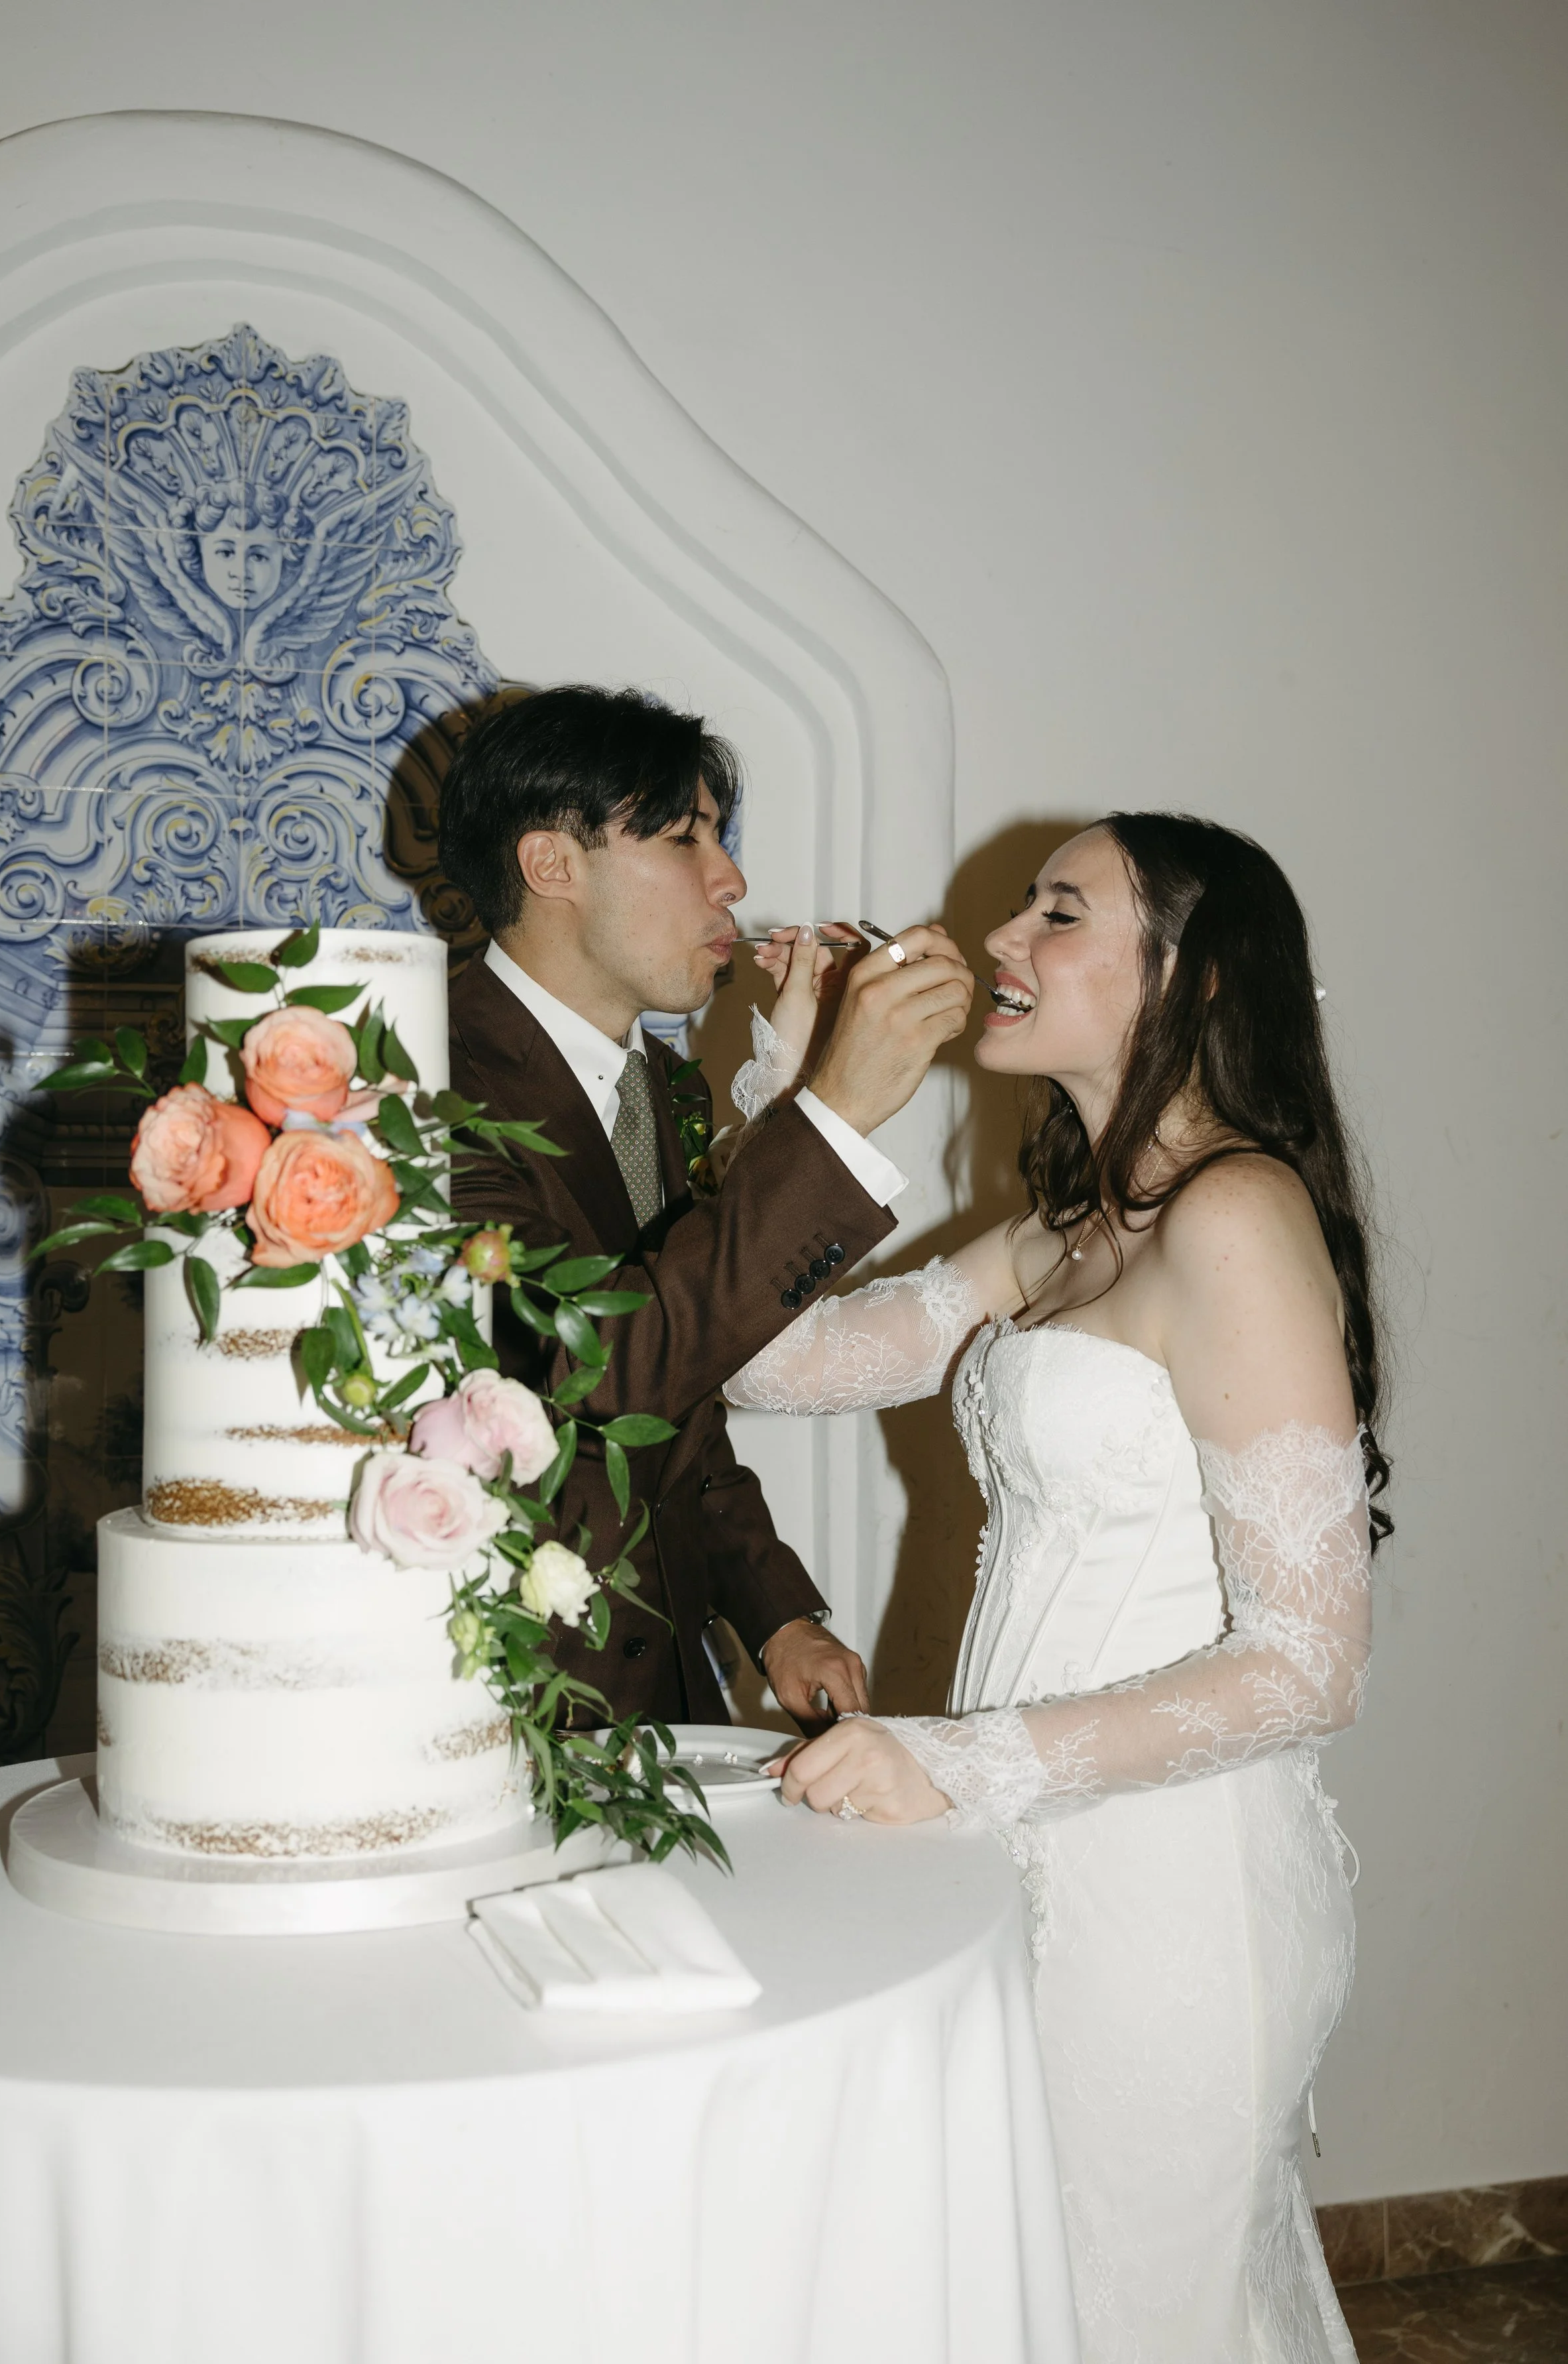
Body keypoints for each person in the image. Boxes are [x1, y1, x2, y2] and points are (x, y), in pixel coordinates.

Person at [729, 813, 1387, 2363]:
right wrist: (787, 1086)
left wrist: (945, 1759)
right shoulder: (1070, 1234)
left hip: (1173, 1896)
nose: (1003, 944)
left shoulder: (1235, 1214)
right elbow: (767, 1363)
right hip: (1031, 1861)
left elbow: (1307, 1667)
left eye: (1058, 914)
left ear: (1194, 976)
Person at [439, 685, 972, 1729]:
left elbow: (679, 1408)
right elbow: (599, 1363)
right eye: (687, 837)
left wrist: (771, 1614)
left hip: (666, 1691)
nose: (732, 880)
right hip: (507, 1704)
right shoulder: (423, 1081)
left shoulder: (661, 1087)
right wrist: (836, 1113)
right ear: (552, 865)